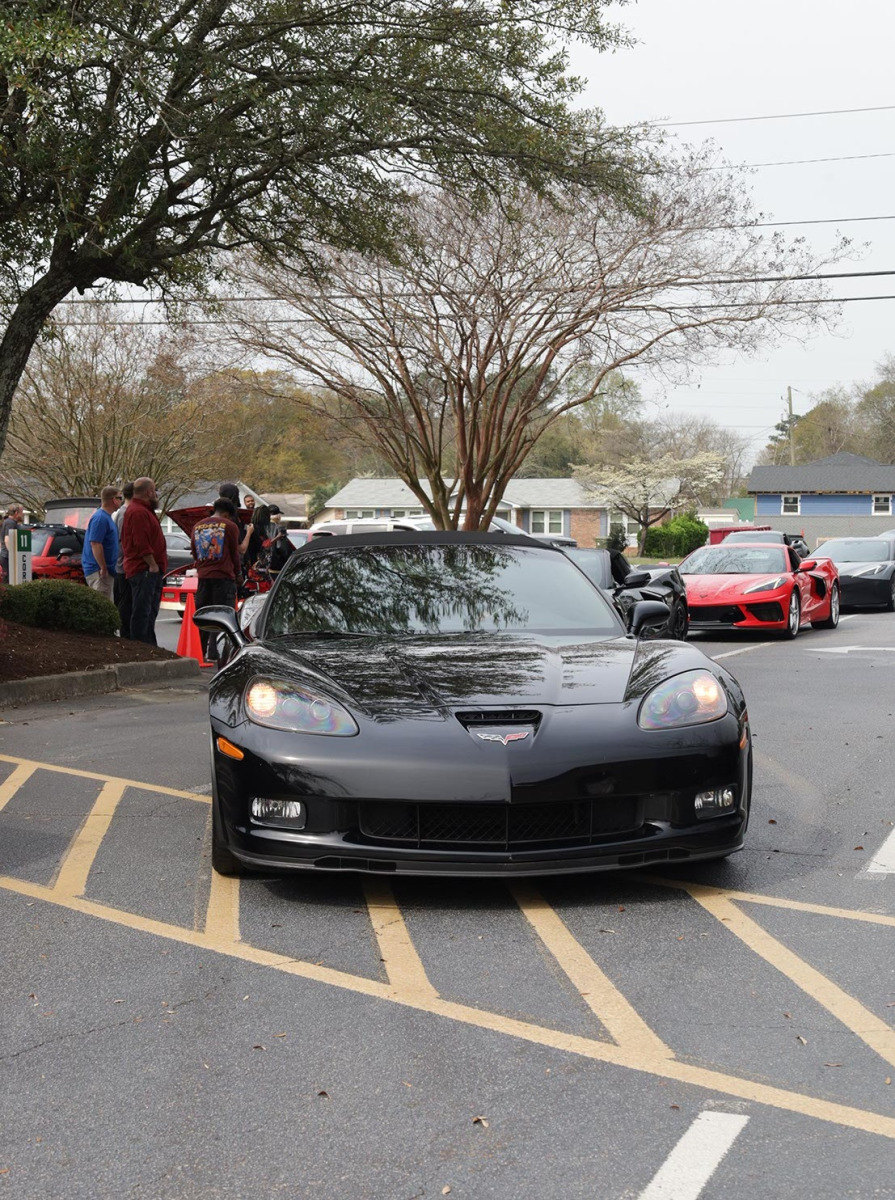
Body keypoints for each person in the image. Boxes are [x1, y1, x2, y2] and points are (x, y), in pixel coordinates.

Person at [191, 497, 242, 661]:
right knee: (223, 617)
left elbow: (194, 552)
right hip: (224, 577)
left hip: (204, 578)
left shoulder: (197, 526)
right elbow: (234, 553)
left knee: (203, 616)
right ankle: (218, 653)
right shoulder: (230, 526)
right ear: (227, 514)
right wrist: (238, 574)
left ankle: (200, 653)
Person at [121, 477, 167, 644]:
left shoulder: (143, 510)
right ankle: (141, 646)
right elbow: (141, 542)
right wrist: (152, 565)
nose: (156, 494)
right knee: (142, 612)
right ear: (149, 492)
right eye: (154, 490)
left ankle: (149, 645)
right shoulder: (138, 512)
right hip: (144, 570)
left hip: (148, 569)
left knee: (149, 612)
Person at [81, 486, 123, 600]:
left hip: (105, 571)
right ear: (114, 499)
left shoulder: (106, 517)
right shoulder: (100, 518)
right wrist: (103, 567)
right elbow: (95, 544)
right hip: (98, 572)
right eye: (120, 498)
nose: (121, 501)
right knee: (102, 604)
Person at [113, 481, 134, 636]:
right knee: (125, 603)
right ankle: (126, 634)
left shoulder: (123, 512)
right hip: (124, 566)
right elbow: (124, 540)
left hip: (122, 564)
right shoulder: (124, 513)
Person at [0, 503, 24, 583]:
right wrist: (13, 555)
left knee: (8, 579)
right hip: (7, 557)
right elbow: (7, 539)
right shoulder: (10, 523)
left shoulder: (7, 522)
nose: (22, 514)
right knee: (8, 580)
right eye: (21, 512)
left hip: (4, 555)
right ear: (16, 513)